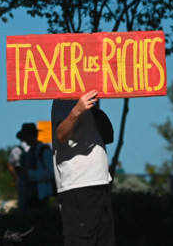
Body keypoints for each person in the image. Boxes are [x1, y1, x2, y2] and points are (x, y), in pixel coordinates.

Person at [51, 90, 115, 246]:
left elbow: (108, 137)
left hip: (99, 183)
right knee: (79, 240)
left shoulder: (90, 102)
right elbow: (61, 134)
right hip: (78, 184)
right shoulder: (64, 98)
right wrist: (77, 111)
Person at [16, 122, 54, 209]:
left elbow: (51, 173)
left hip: (42, 194)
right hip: (31, 194)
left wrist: (29, 173)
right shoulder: (31, 152)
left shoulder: (44, 150)